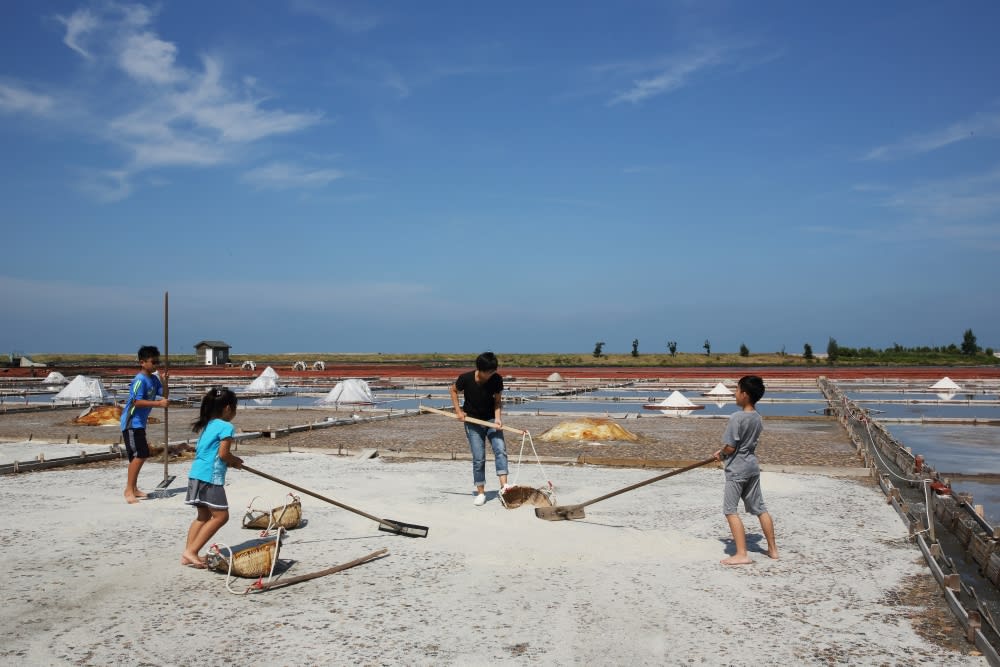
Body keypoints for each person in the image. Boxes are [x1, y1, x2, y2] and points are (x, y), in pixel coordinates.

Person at [713, 375, 778, 565]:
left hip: (737, 469)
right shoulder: (757, 417)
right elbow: (744, 444)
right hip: (752, 467)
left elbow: (732, 447)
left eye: (737, 390)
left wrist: (721, 454)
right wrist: (724, 451)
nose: (735, 394)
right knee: (760, 508)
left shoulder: (737, 418)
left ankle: (742, 554)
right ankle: (773, 550)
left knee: (730, 510)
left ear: (745, 394)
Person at [181, 387, 243, 568]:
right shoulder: (226, 426)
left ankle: (188, 554)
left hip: (196, 474)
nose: (235, 412)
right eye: (235, 408)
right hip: (210, 477)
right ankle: (191, 552)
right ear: (227, 408)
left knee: (203, 515)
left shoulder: (209, 424)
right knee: (221, 516)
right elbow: (223, 454)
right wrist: (235, 461)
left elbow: (212, 452)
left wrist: (231, 461)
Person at [449, 352, 510, 506]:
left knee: (500, 450)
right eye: (489, 372)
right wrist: (458, 412)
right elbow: (453, 390)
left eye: (493, 371)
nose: (491, 374)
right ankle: (481, 492)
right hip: (472, 421)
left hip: (491, 420)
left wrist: (498, 418)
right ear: (480, 369)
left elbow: (497, 401)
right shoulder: (466, 378)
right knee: (478, 458)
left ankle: (504, 488)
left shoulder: (497, 379)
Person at [120, 345, 169, 504]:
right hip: (132, 422)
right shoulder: (139, 380)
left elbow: (165, 394)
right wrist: (158, 404)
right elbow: (136, 401)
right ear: (142, 362)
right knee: (140, 454)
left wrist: (164, 380)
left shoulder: (154, 379)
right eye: (153, 362)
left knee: (141, 455)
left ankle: (134, 488)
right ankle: (129, 489)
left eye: (157, 362)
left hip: (140, 423)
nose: (156, 365)